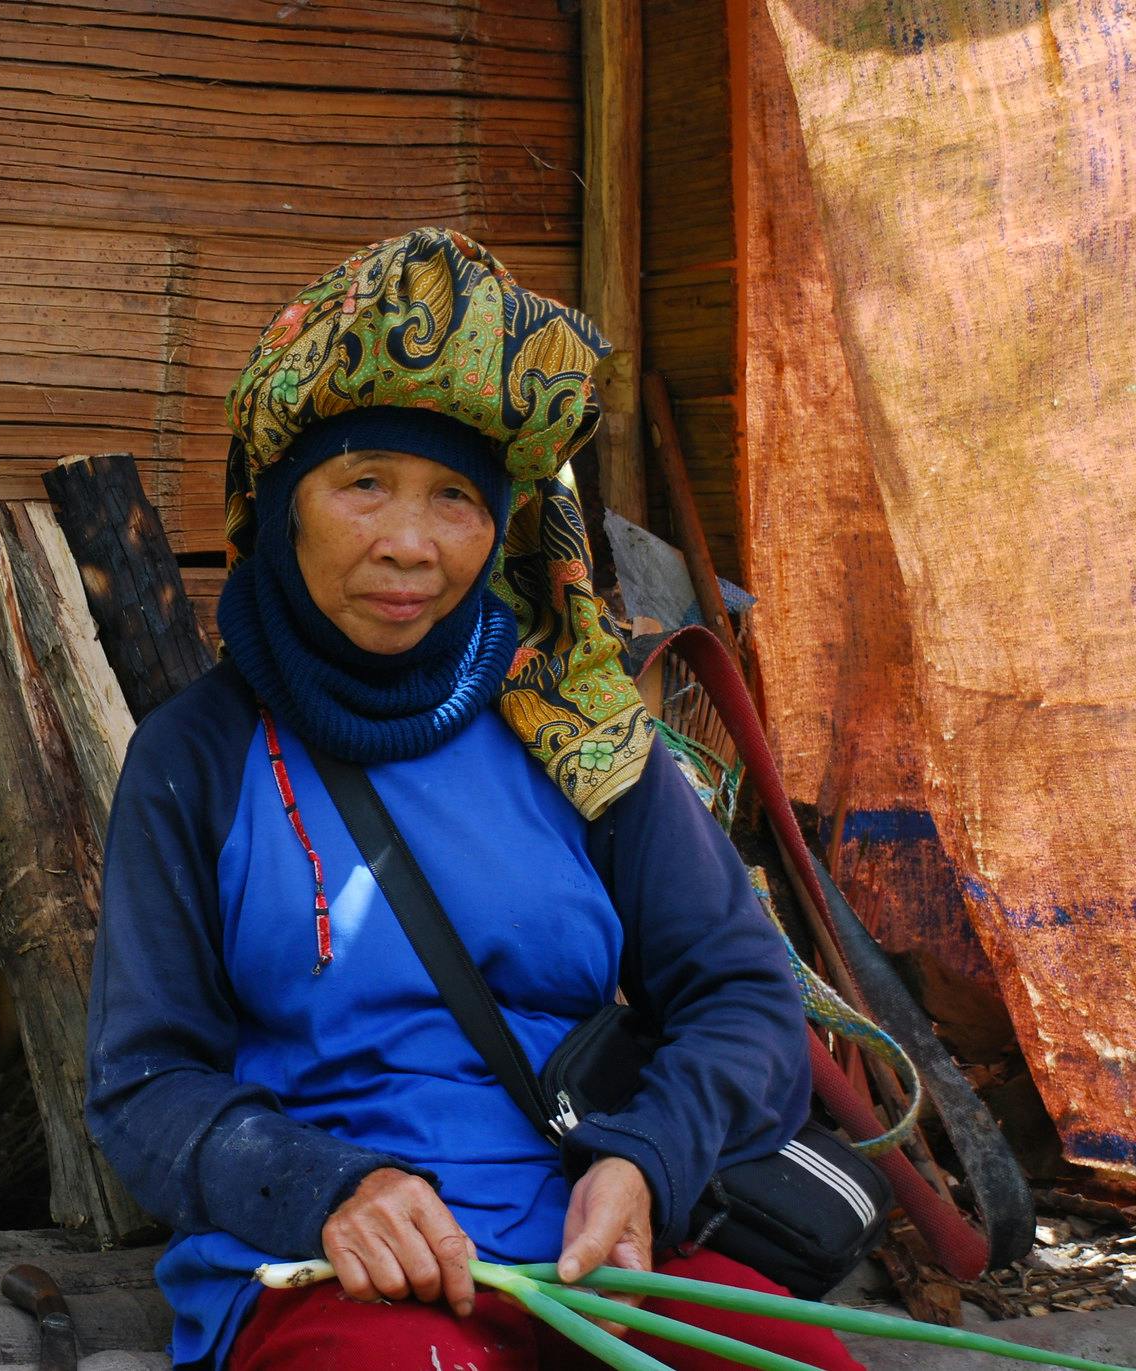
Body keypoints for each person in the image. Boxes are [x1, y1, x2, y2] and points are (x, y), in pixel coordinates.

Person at [83, 228, 862, 1371]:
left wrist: (642, 1159)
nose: (408, 545)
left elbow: (740, 998)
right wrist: (326, 1189)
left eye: (453, 496)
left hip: (601, 1253)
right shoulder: (194, 757)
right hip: (340, 1274)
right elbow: (144, 1086)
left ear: (498, 521)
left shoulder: (576, 733)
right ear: (282, 504)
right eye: (362, 484)